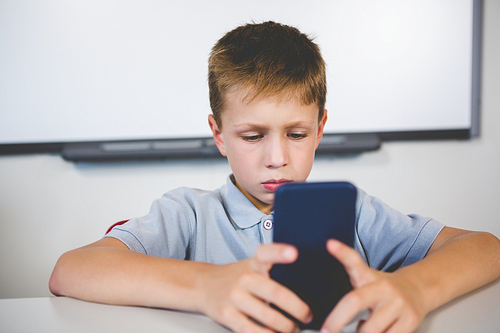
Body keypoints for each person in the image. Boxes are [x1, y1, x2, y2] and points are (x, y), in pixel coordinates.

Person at [49, 21, 500, 333]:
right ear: (219, 134)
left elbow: (486, 247)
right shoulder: (188, 213)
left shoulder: (354, 211)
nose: (277, 158)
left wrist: (413, 288)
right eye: (252, 135)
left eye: (297, 133)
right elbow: (71, 270)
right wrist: (207, 287)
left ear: (320, 129)